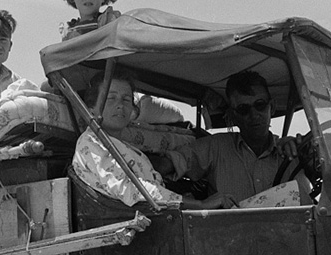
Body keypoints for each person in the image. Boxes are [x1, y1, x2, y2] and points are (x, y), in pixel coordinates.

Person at [71, 72, 231, 210]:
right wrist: (199, 204)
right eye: (111, 98)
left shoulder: (122, 146)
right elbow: (131, 191)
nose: (120, 105)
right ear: (91, 108)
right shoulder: (91, 144)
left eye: (126, 99)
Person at [157, 71, 308, 206]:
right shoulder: (215, 147)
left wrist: (304, 152)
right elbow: (170, 163)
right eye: (244, 109)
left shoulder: (292, 151)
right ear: (232, 116)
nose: (254, 114)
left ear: (272, 107)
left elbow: (326, 173)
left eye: (260, 105)